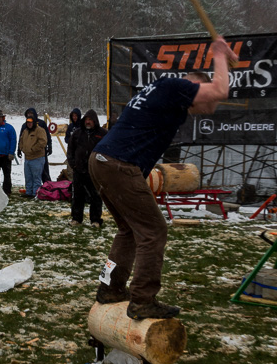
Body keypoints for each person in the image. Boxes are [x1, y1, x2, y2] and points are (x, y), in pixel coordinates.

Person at [90, 37, 237, 320]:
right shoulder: (176, 86)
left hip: (102, 160)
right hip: (119, 164)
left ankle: (110, 287)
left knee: (128, 230)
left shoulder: (162, 93)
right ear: (193, 85)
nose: (214, 104)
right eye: (209, 98)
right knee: (154, 231)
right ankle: (143, 300)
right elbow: (220, 88)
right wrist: (219, 53)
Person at [67, 109, 106, 227]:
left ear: (95, 121)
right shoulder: (78, 133)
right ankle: (76, 219)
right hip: (79, 170)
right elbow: (70, 150)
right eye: (87, 120)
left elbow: (108, 150)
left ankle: (95, 220)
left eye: (90, 120)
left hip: (95, 171)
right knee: (77, 196)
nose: (88, 122)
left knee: (96, 196)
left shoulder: (103, 134)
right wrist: (73, 163)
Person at [18, 108, 52, 182]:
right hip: (29, 154)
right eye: (28, 114)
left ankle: (47, 187)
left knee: (44, 171)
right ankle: (31, 190)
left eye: (31, 114)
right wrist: (19, 149)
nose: (30, 115)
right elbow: (21, 138)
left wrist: (49, 146)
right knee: (30, 174)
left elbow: (47, 136)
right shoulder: (25, 125)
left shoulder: (41, 123)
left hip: (40, 152)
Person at [18, 117, 47, 198]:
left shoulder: (40, 130)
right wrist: (22, 148)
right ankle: (28, 192)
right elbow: (21, 140)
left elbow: (43, 142)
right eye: (28, 122)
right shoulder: (25, 131)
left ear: (34, 122)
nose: (29, 124)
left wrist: (33, 149)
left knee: (36, 177)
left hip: (37, 158)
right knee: (28, 177)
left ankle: (35, 193)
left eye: (31, 122)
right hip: (27, 158)